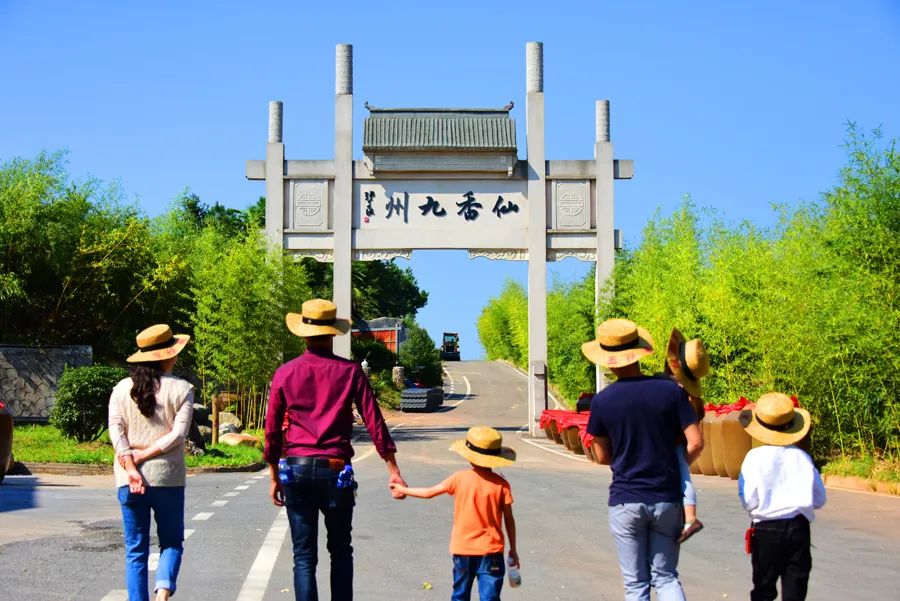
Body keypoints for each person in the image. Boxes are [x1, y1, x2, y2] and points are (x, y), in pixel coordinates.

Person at [264, 298, 407, 601]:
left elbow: (272, 430)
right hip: (336, 471)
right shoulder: (350, 371)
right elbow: (374, 421)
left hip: (297, 470)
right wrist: (392, 468)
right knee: (341, 550)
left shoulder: (285, 373)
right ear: (332, 333)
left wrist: (274, 473)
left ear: (304, 334)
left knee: (304, 555)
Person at [582, 318, 702, 601]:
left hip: (626, 499)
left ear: (607, 360)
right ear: (638, 352)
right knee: (666, 577)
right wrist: (675, 465)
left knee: (636, 584)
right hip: (667, 498)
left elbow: (602, 456)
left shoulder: (602, 401)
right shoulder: (671, 391)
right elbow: (696, 442)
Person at [108, 324, 194, 601]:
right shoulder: (182, 389)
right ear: (168, 355)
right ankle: (162, 592)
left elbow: (116, 430)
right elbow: (178, 435)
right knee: (171, 542)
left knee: (135, 551)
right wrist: (145, 455)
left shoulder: (121, 389)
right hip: (168, 478)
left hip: (128, 480)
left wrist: (131, 465)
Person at [390, 426, 518, 601]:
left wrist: (403, 489)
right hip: (492, 552)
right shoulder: (502, 485)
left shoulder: (459, 478)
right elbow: (509, 521)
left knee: (460, 596)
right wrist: (513, 550)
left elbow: (428, 492)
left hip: (463, 550)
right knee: (490, 598)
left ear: (469, 456)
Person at [739, 393, 826, 601]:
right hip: (798, 529)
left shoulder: (753, 458)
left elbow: (749, 500)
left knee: (763, 590)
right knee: (795, 592)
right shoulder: (802, 458)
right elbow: (819, 499)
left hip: (766, 529)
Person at [663, 328, 710, 543]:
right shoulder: (695, 400)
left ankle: (691, 517)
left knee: (683, 476)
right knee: (684, 475)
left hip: (671, 443)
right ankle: (689, 516)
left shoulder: (671, 392)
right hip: (682, 444)